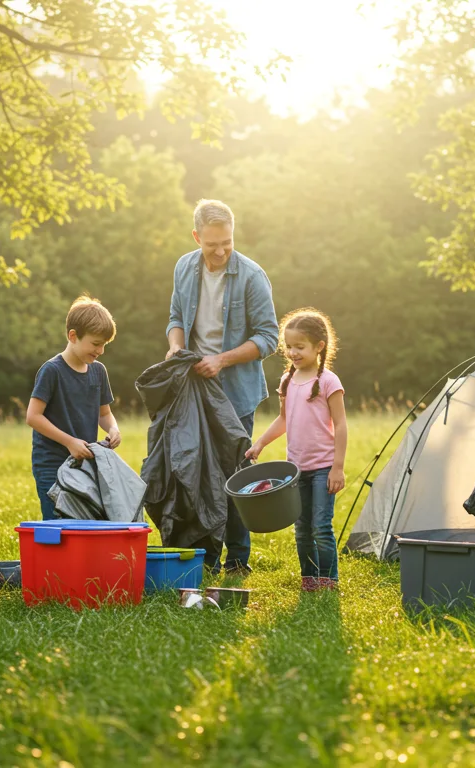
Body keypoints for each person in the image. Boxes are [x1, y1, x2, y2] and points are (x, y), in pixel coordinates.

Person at [166, 199, 279, 573]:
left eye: (226, 242)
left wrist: (221, 359)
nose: (220, 251)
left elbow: (268, 338)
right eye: (212, 243)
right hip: (193, 390)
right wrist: (176, 349)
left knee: (233, 476)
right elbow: (175, 319)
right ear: (196, 236)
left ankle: (237, 559)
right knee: (196, 472)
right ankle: (205, 557)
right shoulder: (184, 267)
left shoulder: (251, 275)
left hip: (235, 392)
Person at [246, 309, 348, 591]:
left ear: (319, 346)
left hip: (324, 468)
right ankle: (310, 580)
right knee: (302, 530)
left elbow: (340, 425)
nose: (292, 352)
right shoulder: (287, 381)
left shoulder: (329, 382)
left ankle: (329, 581)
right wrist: (260, 443)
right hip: (296, 470)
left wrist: (337, 467)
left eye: (299, 347)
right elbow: (284, 420)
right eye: (288, 347)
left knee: (321, 528)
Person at [26, 296, 122, 520]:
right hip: (51, 465)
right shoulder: (52, 371)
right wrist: (69, 442)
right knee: (60, 525)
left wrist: (113, 429)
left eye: (104, 345)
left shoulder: (99, 371)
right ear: (73, 336)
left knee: (84, 525)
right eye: (96, 344)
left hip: (84, 464)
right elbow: (33, 416)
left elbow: (104, 414)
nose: (100, 351)